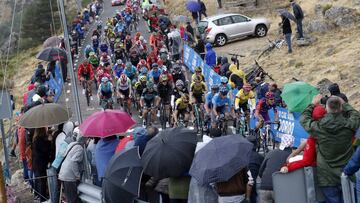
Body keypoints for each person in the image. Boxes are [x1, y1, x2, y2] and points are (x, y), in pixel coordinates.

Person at [300, 95, 360, 203]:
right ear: (341, 108)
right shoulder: (350, 125)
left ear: (326, 109)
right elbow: (356, 115)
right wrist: (344, 104)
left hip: (327, 177)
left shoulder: (318, 128)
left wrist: (313, 104)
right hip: (347, 173)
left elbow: (304, 119)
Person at [280, 105, 327, 173]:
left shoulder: (313, 138)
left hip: (323, 173)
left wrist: (288, 167)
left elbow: (307, 161)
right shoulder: (340, 129)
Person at [259, 134, 294, 203]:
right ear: (292, 144)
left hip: (264, 186)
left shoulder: (271, 152)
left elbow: (261, 171)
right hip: (280, 189)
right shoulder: (291, 157)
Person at [58, 132, 86, 203]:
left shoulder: (72, 144)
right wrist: (77, 175)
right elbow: (73, 162)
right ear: (84, 140)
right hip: (69, 176)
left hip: (63, 172)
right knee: (72, 199)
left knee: (70, 197)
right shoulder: (80, 148)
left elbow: (63, 154)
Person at [32, 127, 52, 201]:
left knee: (39, 181)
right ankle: (42, 199)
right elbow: (46, 150)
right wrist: (49, 141)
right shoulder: (40, 140)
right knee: (42, 182)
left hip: (36, 164)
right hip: (41, 164)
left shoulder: (35, 139)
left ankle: (39, 196)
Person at [247, 136, 264, 203]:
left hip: (242, 184)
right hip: (253, 183)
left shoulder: (242, 155)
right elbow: (262, 172)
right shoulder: (260, 157)